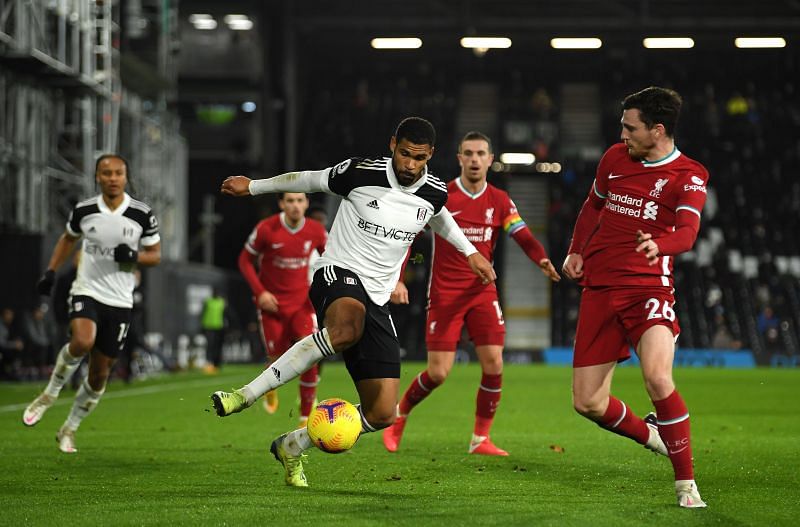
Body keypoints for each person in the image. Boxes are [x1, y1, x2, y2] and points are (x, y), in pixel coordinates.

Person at [211, 116, 496, 487]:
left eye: (420, 158)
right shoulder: (360, 172)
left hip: (377, 298)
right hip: (337, 272)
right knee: (345, 328)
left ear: (431, 156)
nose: (410, 165)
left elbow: (439, 217)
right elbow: (309, 179)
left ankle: (293, 445)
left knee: (382, 413)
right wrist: (253, 187)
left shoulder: (435, 191)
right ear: (392, 144)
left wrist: (470, 252)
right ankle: (246, 395)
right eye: (405, 154)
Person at [562, 87, 709, 508]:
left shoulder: (689, 175)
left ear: (657, 130)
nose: (622, 134)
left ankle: (686, 486)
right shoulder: (614, 158)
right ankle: (654, 436)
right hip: (600, 289)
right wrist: (576, 249)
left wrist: (659, 246)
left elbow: (687, 233)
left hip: (649, 289)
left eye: (630, 127)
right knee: (588, 402)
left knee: (658, 378)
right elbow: (593, 206)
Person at [382, 131, 561, 456]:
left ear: (490, 159)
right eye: (469, 153)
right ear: (460, 158)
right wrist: (398, 278)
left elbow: (522, 235)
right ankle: (400, 414)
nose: (475, 159)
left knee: (494, 364)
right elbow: (407, 236)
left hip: (482, 292)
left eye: (481, 153)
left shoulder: (500, 200)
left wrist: (541, 259)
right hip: (445, 294)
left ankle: (480, 439)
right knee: (438, 373)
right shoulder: (442, 195)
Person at [22, 154, 161, 453]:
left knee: (99, 375)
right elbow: (67, 239)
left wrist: (135, 257)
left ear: (126, 176)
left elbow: (155, 255)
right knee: (83, 341)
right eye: (106, 173)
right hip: (88, 290)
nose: (112, 178)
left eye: (118, 173)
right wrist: (50, 271)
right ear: (97, 177)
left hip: (121, 300)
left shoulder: (141, 214)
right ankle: (48, 394)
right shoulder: (84, 210)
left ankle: (69, 428)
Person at [238, 192, 327, 424]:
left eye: (300, 200)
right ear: (281, 204)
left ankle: (306, 415)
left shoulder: (316, 230)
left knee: (310, 354)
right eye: (290, 201)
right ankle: (270, 387)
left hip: (302, 305)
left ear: (306, 203)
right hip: (272, 306)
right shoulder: (267, 229)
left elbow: (332, 258)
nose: (295, 206)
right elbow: (245, 261)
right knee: (276, 357)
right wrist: (261, 293)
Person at [200, 288, 227, 374]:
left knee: (217, 346)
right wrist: (202, 325)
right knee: (210, 345)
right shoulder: (208, 301)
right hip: (209, 326)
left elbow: (225, 314)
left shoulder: (222, 302)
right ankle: (209, 364)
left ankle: (217, 364)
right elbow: (203, 313)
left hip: (219, 327)